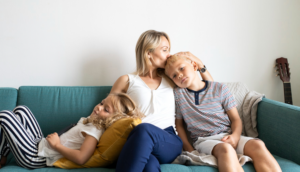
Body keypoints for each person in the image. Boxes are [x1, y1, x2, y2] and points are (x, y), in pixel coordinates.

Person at [111, 30, 213, 172]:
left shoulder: (172, 79)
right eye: (165, 50)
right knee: (150, 165)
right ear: (148, 53)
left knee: (144, 129)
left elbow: (209, 90)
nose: (169, 54)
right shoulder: (127, 80)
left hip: (168, 140)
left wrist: (199, 63)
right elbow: (106, 111)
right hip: (138, 140)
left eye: (169, 50)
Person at [164, 54, 282, 172]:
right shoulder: (179, 95)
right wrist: (189, 149)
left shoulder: (220, 88)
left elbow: (235, 119)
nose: (179, 75)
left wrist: (235, 137)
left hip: (228, 135)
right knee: (226, 149)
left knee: (258, 145)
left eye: (181, 68)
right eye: (174, 75)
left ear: (194, 66)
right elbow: (178, 125)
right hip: (205, 141)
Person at [0, 93, 143, 169]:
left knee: (5, 116)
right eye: (101, 103)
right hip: (40, 143)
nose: (99, 107)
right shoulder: (90, 121)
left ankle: (1, 155)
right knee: (21, 110)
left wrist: (57, 146)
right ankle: (3, 156)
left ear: (114, 119)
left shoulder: (95, 130)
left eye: (106, 110)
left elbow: (81, 158)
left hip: (36, 157)